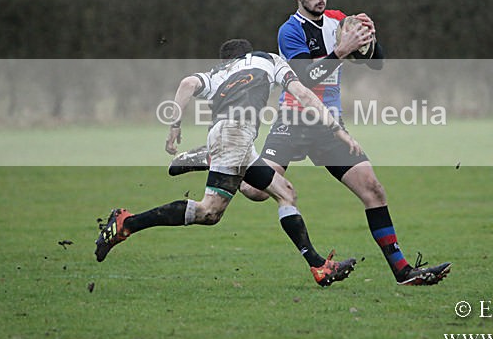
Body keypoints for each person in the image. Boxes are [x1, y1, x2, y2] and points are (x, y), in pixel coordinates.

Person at [170, 0, 451, 286]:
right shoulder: (289, 31)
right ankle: (211, 156)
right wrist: (342, 50)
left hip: (329, 126)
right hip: (293, 122)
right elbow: (305, 77)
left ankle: (403, 271)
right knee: (254, 192)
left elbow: (376, 63)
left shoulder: (337, 20)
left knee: (373, 190)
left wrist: (368, 38)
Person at [95, 38, 362, 287]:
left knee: (285, 192)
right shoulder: (268, 60)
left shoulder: (217, 74)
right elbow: (303, 94)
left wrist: (174, 126)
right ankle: (127, 223)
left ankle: (318, 266)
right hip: (234, 136)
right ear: (248, 52)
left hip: (232, 138)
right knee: (209, 212)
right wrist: (336, 129)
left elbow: (187, 84)